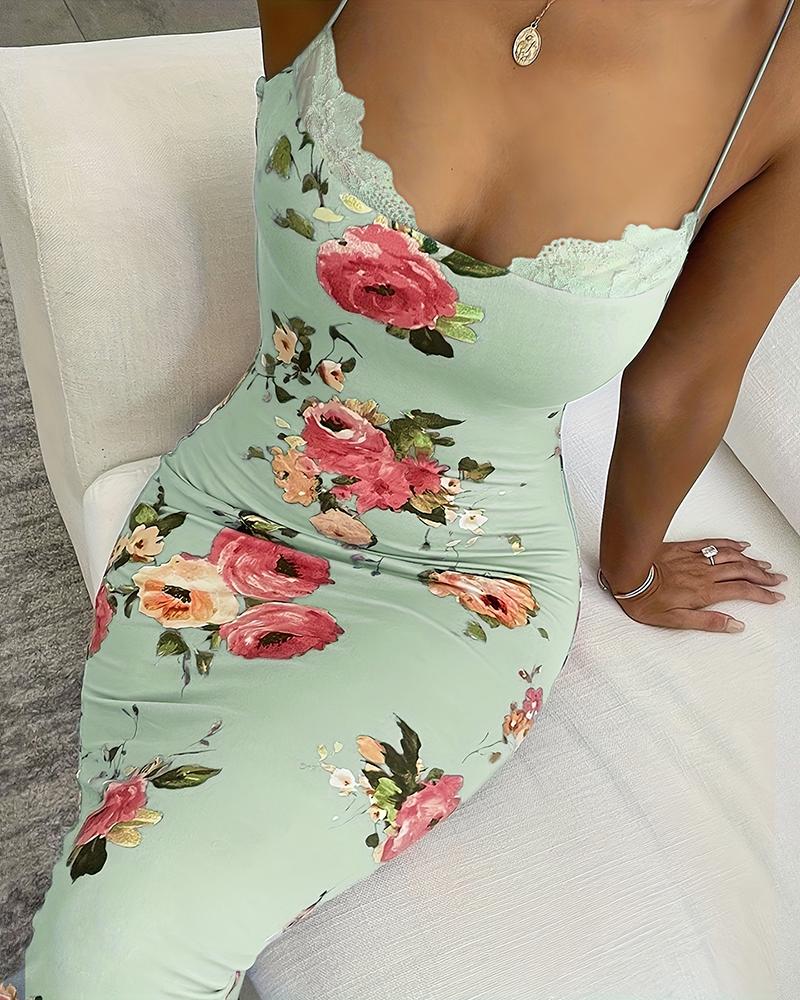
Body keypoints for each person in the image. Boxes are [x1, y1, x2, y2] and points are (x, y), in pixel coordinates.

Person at [17, 0, 797, 996]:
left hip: (463, 593)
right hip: (226, 508)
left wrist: (632, 571)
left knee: (120, 932)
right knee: (118, 870)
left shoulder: (781, 59)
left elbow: (679, 386)